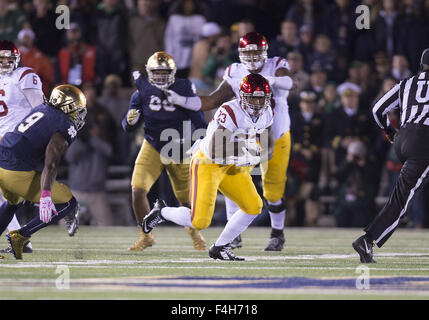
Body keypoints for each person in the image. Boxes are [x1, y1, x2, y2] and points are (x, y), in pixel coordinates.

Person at [164, 32, 295, 251]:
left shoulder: (275, 72)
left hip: (273, 132)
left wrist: (270, 81)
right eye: (248, 52)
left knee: (271, 191)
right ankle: (231, 238)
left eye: (256, 52)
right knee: (233, 179)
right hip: (233, 141)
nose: (252, 57)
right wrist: (180, 101)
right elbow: (212, 101)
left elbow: (291, 83)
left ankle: (277, 234)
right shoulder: (234, 82)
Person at [142, 73, 274, 261]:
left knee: (253, 206)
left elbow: (268, 145)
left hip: (232, 165)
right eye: (253, 97)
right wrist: (246, 149)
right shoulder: (230, 111)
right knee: (200, 221)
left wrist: (257, 154)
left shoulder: (267, 113)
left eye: (262, 98)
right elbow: (216, 149)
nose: (257, 102)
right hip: (208, 162)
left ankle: (220, 247)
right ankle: (161, 211)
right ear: (242, 96)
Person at [122, 51, 207, 252]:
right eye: (156, 72)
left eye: (164, 72)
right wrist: (129, 121)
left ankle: (196, 235)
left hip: (179, 147)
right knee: (137, 190)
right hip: (152, 144)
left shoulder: (183, 88)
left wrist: (201, 140)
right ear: (149, 72)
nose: (160, 76)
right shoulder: (141, 92)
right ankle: (146, 236)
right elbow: (127, 126)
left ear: (173, 72)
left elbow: (198, 118)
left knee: (186, 200)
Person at [353, 48, 429, 263]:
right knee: (403, 199)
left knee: (407, 192)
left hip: (403, 138)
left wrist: (389, 130)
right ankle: (368, 239)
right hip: (424, 141)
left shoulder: (407, 84)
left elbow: (378, 109)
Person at [0, 84, 86, 260]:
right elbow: (51, 162)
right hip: (15, 170)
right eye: (77, 109)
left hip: (3, 155)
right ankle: (21, 236)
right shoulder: (64, 123)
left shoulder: (42, 108)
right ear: (68, 107)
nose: (78, 114)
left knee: (13, 201)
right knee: (69, 203)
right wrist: (46, 194)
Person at [0, 40, 46, 255]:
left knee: (10, 195)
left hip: (18, 140)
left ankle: (20, 237)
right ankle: (20, 238)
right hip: (4, 141)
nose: (6, 61)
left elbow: (40, 109)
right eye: (2, 58)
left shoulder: (24, 75)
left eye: (10, 57)